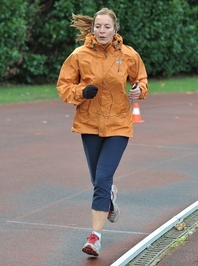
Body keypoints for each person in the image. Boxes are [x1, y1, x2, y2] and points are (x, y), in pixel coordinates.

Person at [56, 7, 148, 257]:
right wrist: (80, 93)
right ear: (92, 28)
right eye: (98, 26)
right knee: (98, 181)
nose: (102, 30)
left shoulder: (128, 54)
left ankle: (95, 237)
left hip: (118, 124)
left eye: (107, 26)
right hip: (90, 123)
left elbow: (141, 80)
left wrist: (138, 90)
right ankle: (109, 195)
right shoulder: (79, 55)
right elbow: (64, 86)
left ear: (115, 29)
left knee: (102, 180)